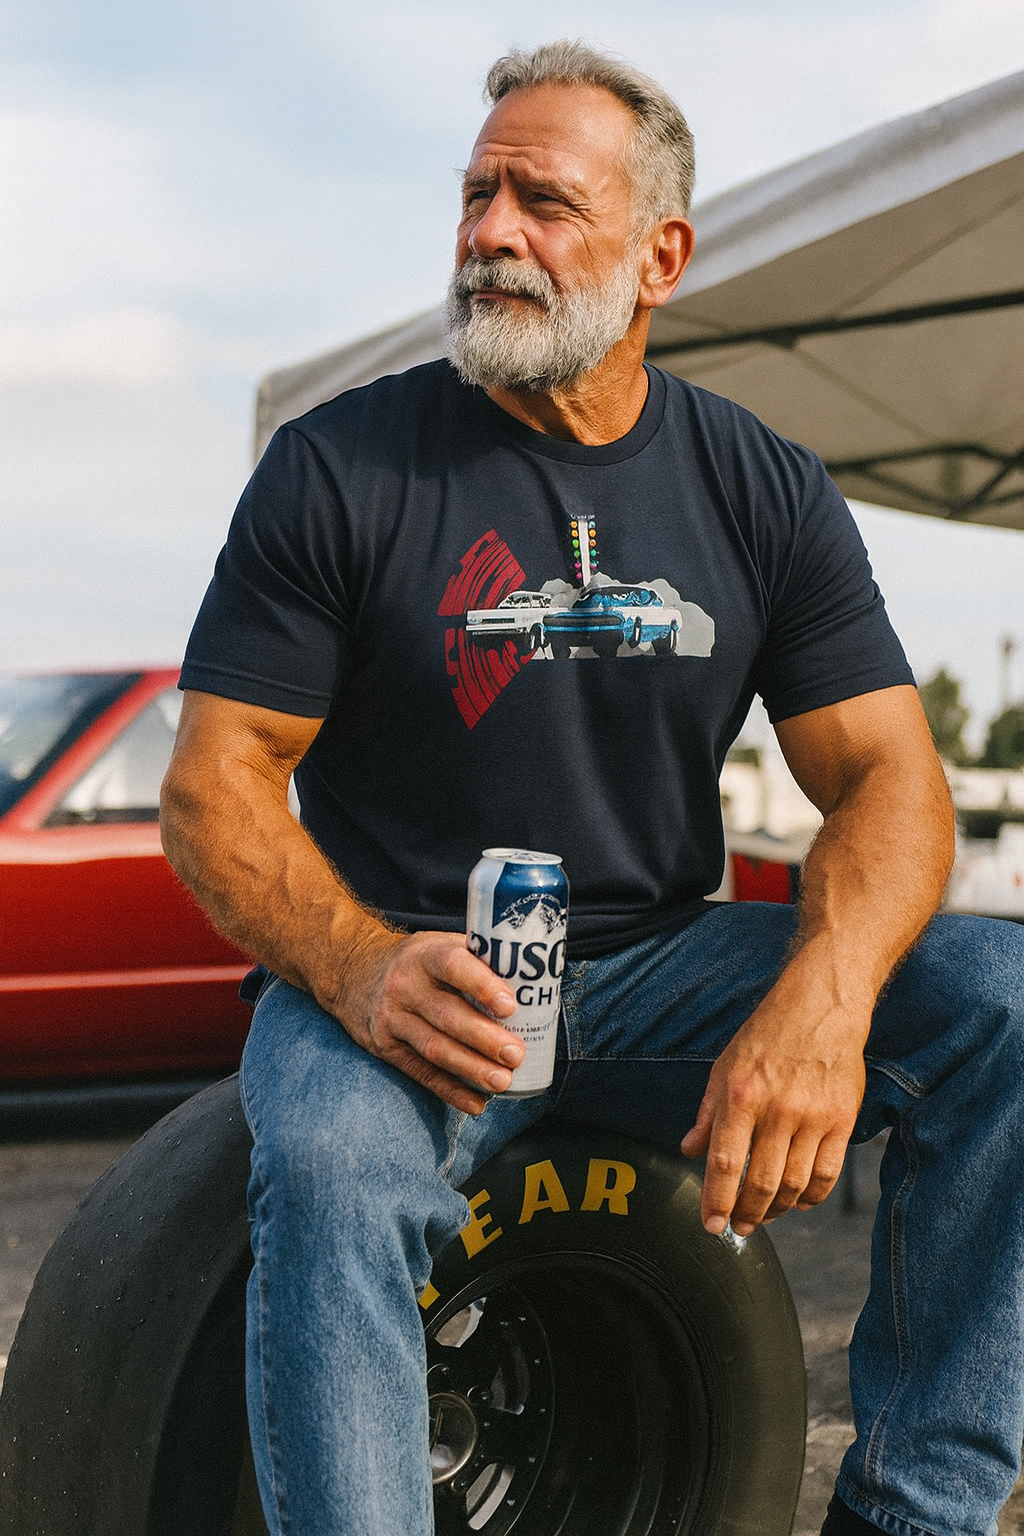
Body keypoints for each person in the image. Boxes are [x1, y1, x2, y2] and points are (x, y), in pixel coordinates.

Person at [160, 40, 1024, 1536]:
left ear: (658, 255)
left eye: (544, 202)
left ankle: (913, 1515)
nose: (491, 232)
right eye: (478, 194)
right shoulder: (340, 467)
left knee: (1003, 1005)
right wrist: (358, 969)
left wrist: (825, 996)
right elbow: (214, 783)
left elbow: (889, 773)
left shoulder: (758, 486)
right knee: (334, 1160)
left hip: (657, 968)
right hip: (405, 975)